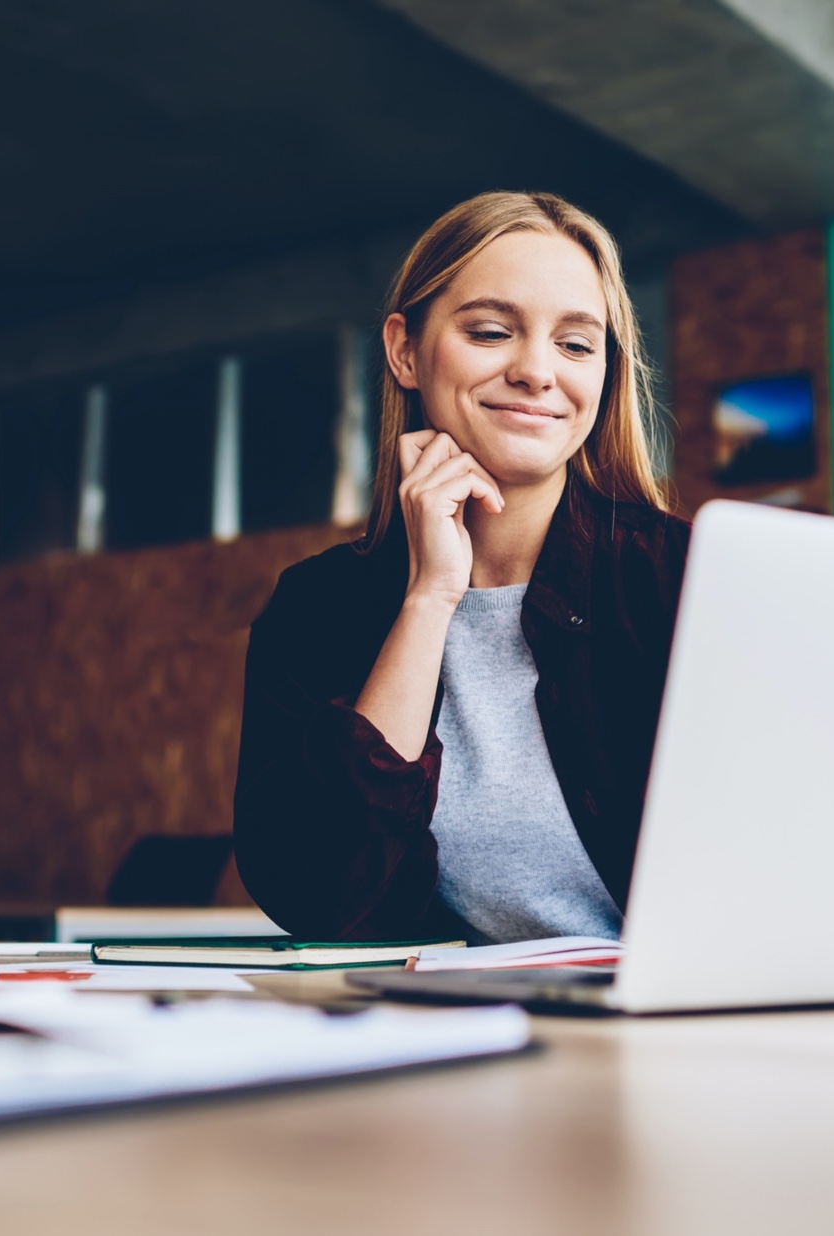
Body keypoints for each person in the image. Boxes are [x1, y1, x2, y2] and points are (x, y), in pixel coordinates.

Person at [233, 191, 690, 943]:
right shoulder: (320, 606)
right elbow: (321, 894)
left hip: (687, 1031)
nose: (538, 371)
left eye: (576, 345)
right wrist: (429, 597)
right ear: (405, 351)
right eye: (489, 331)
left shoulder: (680, 579)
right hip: (457, 1034)